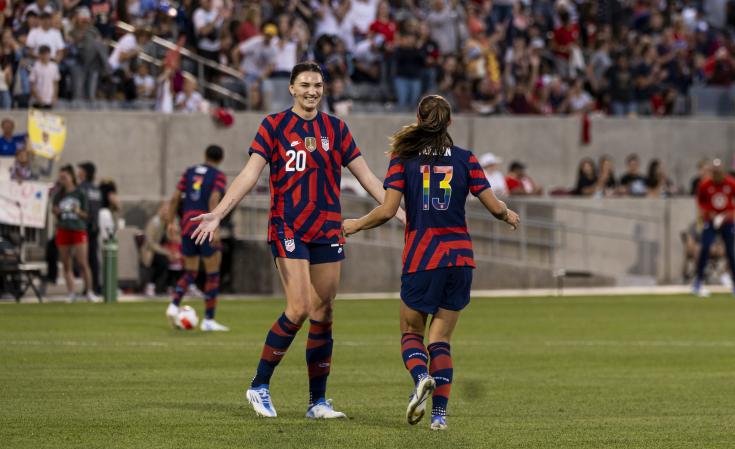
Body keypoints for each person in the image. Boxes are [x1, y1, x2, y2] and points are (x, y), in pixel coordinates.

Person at [189, 61, 404, 419]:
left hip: (327, 228)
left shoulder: (336, 128)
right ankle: (259, 385)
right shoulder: (273, 126)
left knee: (324, 311)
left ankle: (316, 403)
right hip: (288, 227)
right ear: (291, 88)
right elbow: (249, 174)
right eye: (305, 84)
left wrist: (394, 206)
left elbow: (366, 174)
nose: (312, 91)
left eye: (318, 85)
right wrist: (218, 214)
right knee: (300, 307)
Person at [342, 95, 520, 431]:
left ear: (419, 119)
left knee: (411, 331)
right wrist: (509, 215)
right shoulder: (466, 160)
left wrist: (353, 224)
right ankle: (439, 417)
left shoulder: (403, 159)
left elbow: (385, 210)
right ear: (450, 123)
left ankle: (421, 376)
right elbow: (495, 207)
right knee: (440, 340)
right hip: (460, 259)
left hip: (423, 256)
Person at [165, 144, 228, 331]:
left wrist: (170, 222)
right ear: (220, 159)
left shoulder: (189, 172)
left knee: (191, 271)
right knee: (212, 274)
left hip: (187, 225)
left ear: (205, 155)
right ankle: (208, 320)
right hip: (204, 224)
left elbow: (175, 198)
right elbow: (214, 198)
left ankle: (174, 304)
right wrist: (215, 228)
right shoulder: (218, 175)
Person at [693, 159, 735, 297]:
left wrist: (730, 212)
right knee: (705, 248)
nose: (716, 175)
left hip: (727, 221)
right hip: (711, 220)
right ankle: (698, 281)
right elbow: (700, 200)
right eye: (714, 172)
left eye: (718, 172)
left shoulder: (731, 183)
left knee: (731, 252)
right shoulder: (705, 185)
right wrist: (708, 212)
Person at [52, 165, 100, 303]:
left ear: (71, 177)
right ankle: (71, 292)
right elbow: (56, 212)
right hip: (63, 229)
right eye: (60, 178)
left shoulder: (80, 194)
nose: (62, 180)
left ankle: (89, 291)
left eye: (64, 177)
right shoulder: (59, 195)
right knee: (66, 263)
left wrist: (77, 211)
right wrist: (57, 213)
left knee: (82, 262)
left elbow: (86, 214)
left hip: (78, 229)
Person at [140, 201, 179, 296]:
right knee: (162, 261)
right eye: (164, 210)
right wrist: (167, 252)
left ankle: (171, 286)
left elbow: (175, 238)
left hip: (167, 249)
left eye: (168, 210)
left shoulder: (171, 221)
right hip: (152, 251)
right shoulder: (155, 222)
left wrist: (170, 225)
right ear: (159, 210)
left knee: (179, 259)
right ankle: (151, 286)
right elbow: (150, 243)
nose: (166, 212)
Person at [77, 162, 102, 295]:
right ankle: (95, 286)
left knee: (84, 260)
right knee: (93, 259)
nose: (77, 172)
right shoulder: (96, 189)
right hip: (95, 227)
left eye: (80, 170)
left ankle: (88, 287)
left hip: (84, 227)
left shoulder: (81, 188)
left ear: (85, 173)